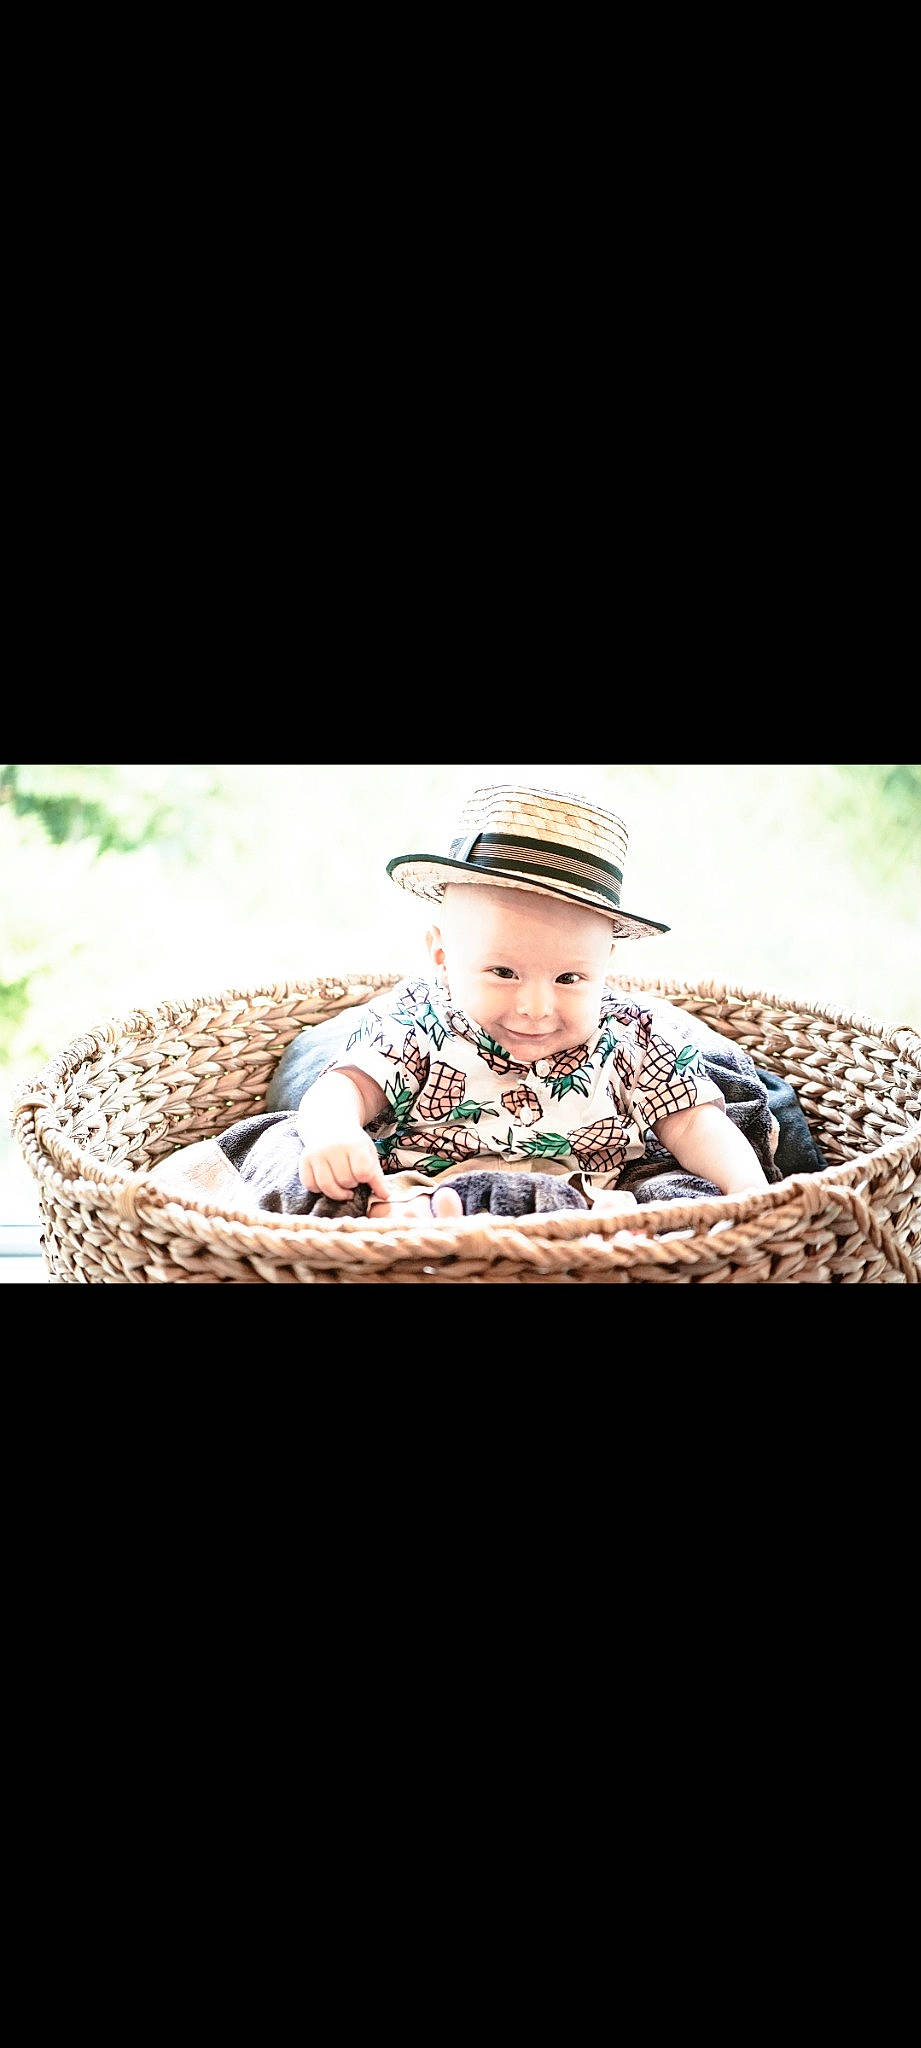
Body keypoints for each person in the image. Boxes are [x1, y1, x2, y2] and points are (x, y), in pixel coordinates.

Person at [295, 782, 772, 1225]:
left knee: (681, 1193)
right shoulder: (417, 1022)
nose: (536, 1008)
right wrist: (334, 1132)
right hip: (428, 1195)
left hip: (588, 1209)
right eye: (503, 973)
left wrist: (746, 1187)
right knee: (304, 1173)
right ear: (443, 956)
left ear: (606, 965)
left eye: (569, 978)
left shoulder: (632, 1036)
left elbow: (692, 1123)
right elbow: (346, 1087)